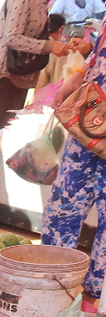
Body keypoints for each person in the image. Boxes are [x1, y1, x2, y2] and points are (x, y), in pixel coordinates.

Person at [42, 25, 106, 301]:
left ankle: (99, 292)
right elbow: (99, 54)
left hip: (93, 117)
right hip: (90, 118)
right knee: (64, 202)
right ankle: (51, 278)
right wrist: (75, 78)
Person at [0, 0, 77, 136]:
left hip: (21, 75)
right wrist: (50, 46)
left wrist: (58, 46)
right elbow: (12, 38)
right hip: (4, 74)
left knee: (7, 133)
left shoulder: (41, 4)